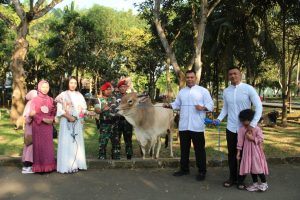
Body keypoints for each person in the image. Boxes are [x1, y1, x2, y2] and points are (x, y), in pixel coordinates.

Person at [214, 67, 263, 189]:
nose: (233, 76)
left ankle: (241, 179)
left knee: (244, 154)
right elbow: (225, 108)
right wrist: (219, 119)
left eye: (235, 73)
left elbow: (258, 106)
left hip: (245, 129)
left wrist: (253, 124)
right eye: (230, 74)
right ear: (228, 76)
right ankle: (232, 178)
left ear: (240, 75)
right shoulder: (226, 91)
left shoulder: (248, 89)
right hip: (231, 128)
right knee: (231, 154)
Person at [164, 70, 214, 181]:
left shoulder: (203, 91)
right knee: (184, 149)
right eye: (187, 77)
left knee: (199, 150)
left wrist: (203, 108)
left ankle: (202, 171)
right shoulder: (182, 92)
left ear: (195, 78)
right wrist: (168, 105)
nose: (189, 79)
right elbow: (176, 104)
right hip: (183, 126)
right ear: (185, 79)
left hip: (197, 126)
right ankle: (184, 169)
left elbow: (211, 105)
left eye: (192, 77)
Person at [55, 76, 88, 173]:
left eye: (75, 83)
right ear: (67, 83)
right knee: (67, 141)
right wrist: (69, 117)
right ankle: (66, 166)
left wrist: (82, 115)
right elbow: (60, 110)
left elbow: (83, 108)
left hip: (77, 122)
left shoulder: (79, 95)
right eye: (71, 83)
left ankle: (77, 164)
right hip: (66, 122)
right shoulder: (63, 95)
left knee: (76, 141)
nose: (73, 85)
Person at [236, 109, 269, 192]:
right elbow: (240, 142)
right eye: (242, 120)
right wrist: (238, 152)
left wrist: (252, 138)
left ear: (251, 119)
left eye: (245, 120)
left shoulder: (257, 129)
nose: (243, 122)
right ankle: (255, 184)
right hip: (247, 152)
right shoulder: (241, 130)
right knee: (251, 168)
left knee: (258, 167)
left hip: (256, 151)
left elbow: (261, 139)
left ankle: (264, 183)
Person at [30, 80, 56, 173]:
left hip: (48, 127)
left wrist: (52, 119)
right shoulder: (35, 99)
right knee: (39, 146)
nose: (45, 89)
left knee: (48, 147)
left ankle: (49, 167)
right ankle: (39, 168)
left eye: (47, 87)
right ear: (39, 87)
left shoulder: (50, 99)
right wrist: (43, 119)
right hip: (38, 126)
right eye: (43, 87)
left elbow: (53, 111)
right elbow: (32, 113)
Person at [95, 82, 120, 160]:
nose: (109, 91)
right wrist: (103, 109)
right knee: (103, 143)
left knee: (116, 143)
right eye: (107, 89)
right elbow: (97, 110)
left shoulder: (114, 99)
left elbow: (119, 109)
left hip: (114, 124)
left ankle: (116, 159)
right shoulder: (98, 100)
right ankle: (102, 159)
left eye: (110, 89)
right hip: (104, 125)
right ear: (103, 90)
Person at [114, 79, 133, 160]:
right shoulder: (114, 97)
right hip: (117, 121)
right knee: (116, 139)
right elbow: (113, 108)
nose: (122, 88)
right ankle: (116, 155)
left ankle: (129, 156)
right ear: (118, 88)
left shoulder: (130, 97)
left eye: (124, 87)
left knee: (128, 139)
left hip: (127, 121)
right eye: (121, 87)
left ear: (126, 88)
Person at [21, 90, 38, 174]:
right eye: (35, 95)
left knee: (30, 146)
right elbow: (27, 119)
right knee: (30, 146)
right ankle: (27, 166)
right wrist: (31, 116)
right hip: (30, 129)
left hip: (33, 129)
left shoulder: (32, 103)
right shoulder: (30, 104)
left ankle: (28, 165)